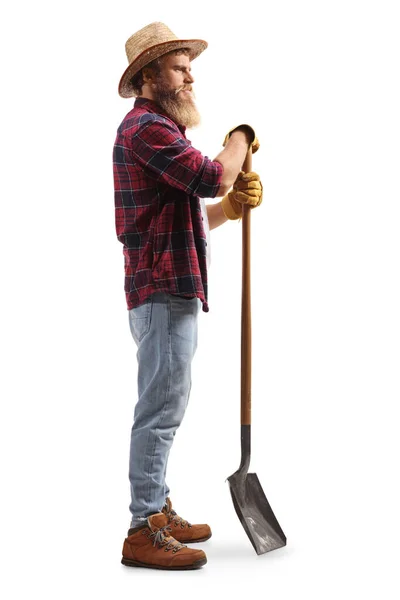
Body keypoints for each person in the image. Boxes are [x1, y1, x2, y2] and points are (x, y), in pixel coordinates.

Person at [113, 22, 263, 570]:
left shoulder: (162, 133)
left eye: (188, 66)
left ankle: (158, 506)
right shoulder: (146, 131)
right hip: (161, 291)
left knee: (166, 401)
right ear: (150, 76)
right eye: (179, 67)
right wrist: (240, 139)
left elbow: (194, 213)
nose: (190, 75)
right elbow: (211, 177)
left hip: (166, 288)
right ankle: (141, 526)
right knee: (160, 407)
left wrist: (235, 210)